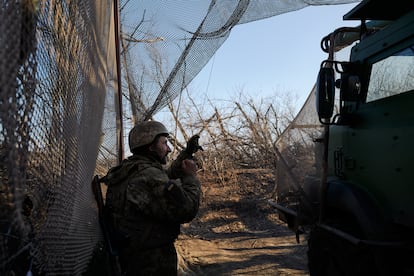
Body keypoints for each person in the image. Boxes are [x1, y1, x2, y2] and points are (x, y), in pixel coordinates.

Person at [103, 120, 202, 275]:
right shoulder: (148, 176)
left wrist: (187, 154)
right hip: (152, 261)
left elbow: (165, 176)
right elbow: (187, 210)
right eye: (164, 143)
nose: (169, 149)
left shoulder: (130, 169)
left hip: (132, 256)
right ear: (151, 147)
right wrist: (191, 177)